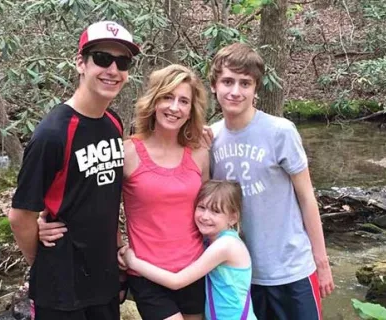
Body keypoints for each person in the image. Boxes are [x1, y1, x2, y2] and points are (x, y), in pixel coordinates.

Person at [39, 64, 210, 320]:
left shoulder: (200, 153)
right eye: (167, 97)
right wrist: (42, 219)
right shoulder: (127, 152)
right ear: (153, 102)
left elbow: (209, 208)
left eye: (183, 101)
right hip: (147, 272)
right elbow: (93, 197)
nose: (174, 107)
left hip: (195, 269)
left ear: (190, 110)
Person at [8, 20, 140, 320]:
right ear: (80, 62)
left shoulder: (113, 123)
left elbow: (102, 197)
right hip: (61, 290)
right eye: (103, 59)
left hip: (104, 280)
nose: (113, 70)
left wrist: (118, 247)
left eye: (123, 62)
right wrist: (43, 262)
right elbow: (20, 215)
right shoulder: (52, 133)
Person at [205, 43, 335, 320]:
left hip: (292, 270)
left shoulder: (280, 131)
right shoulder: (211, 139)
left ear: (256, 89)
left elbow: (306, 197)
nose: (235, 91)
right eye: (227, 81)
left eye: (245, 83)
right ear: (214, 85)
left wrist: (321, 262)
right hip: (241, 273)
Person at [121, 180, 257, 320]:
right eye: (202, 207)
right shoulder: (212, 241)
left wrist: (133, 262)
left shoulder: (226, 245)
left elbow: (176, 281)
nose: (205, 216)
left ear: (233, 217)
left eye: (215, 211)